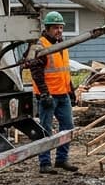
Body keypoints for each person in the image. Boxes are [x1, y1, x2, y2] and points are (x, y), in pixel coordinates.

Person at [30, 11, 76, 174]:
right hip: (48, 96)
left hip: (63, 94)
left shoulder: (61, 44)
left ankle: (61, 160)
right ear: (48, 28)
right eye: (56, 28)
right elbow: (36, 72)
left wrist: (71, 90)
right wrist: (44, 94)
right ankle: (44, 163)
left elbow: (64, 70)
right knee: (46, 130)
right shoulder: (41, 45)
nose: (59, 31)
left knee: (68, 127)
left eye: (61, 27)